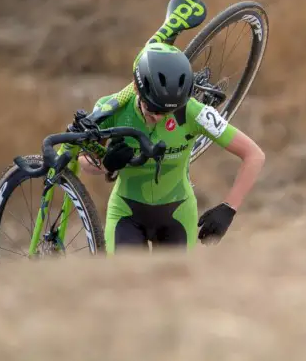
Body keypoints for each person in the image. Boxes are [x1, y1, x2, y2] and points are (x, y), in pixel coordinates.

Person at [77, 41, 266, 254]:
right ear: (137, 88)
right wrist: (105, 163)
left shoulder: (194, 111)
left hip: (178, 214)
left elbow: (254, 155)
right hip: (126, 213)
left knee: (175, 286)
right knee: (126, 283)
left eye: (167, 112)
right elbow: (83, 161)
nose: (158, 117)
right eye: (152, 109)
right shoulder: (112, 108)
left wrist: (229, 208)